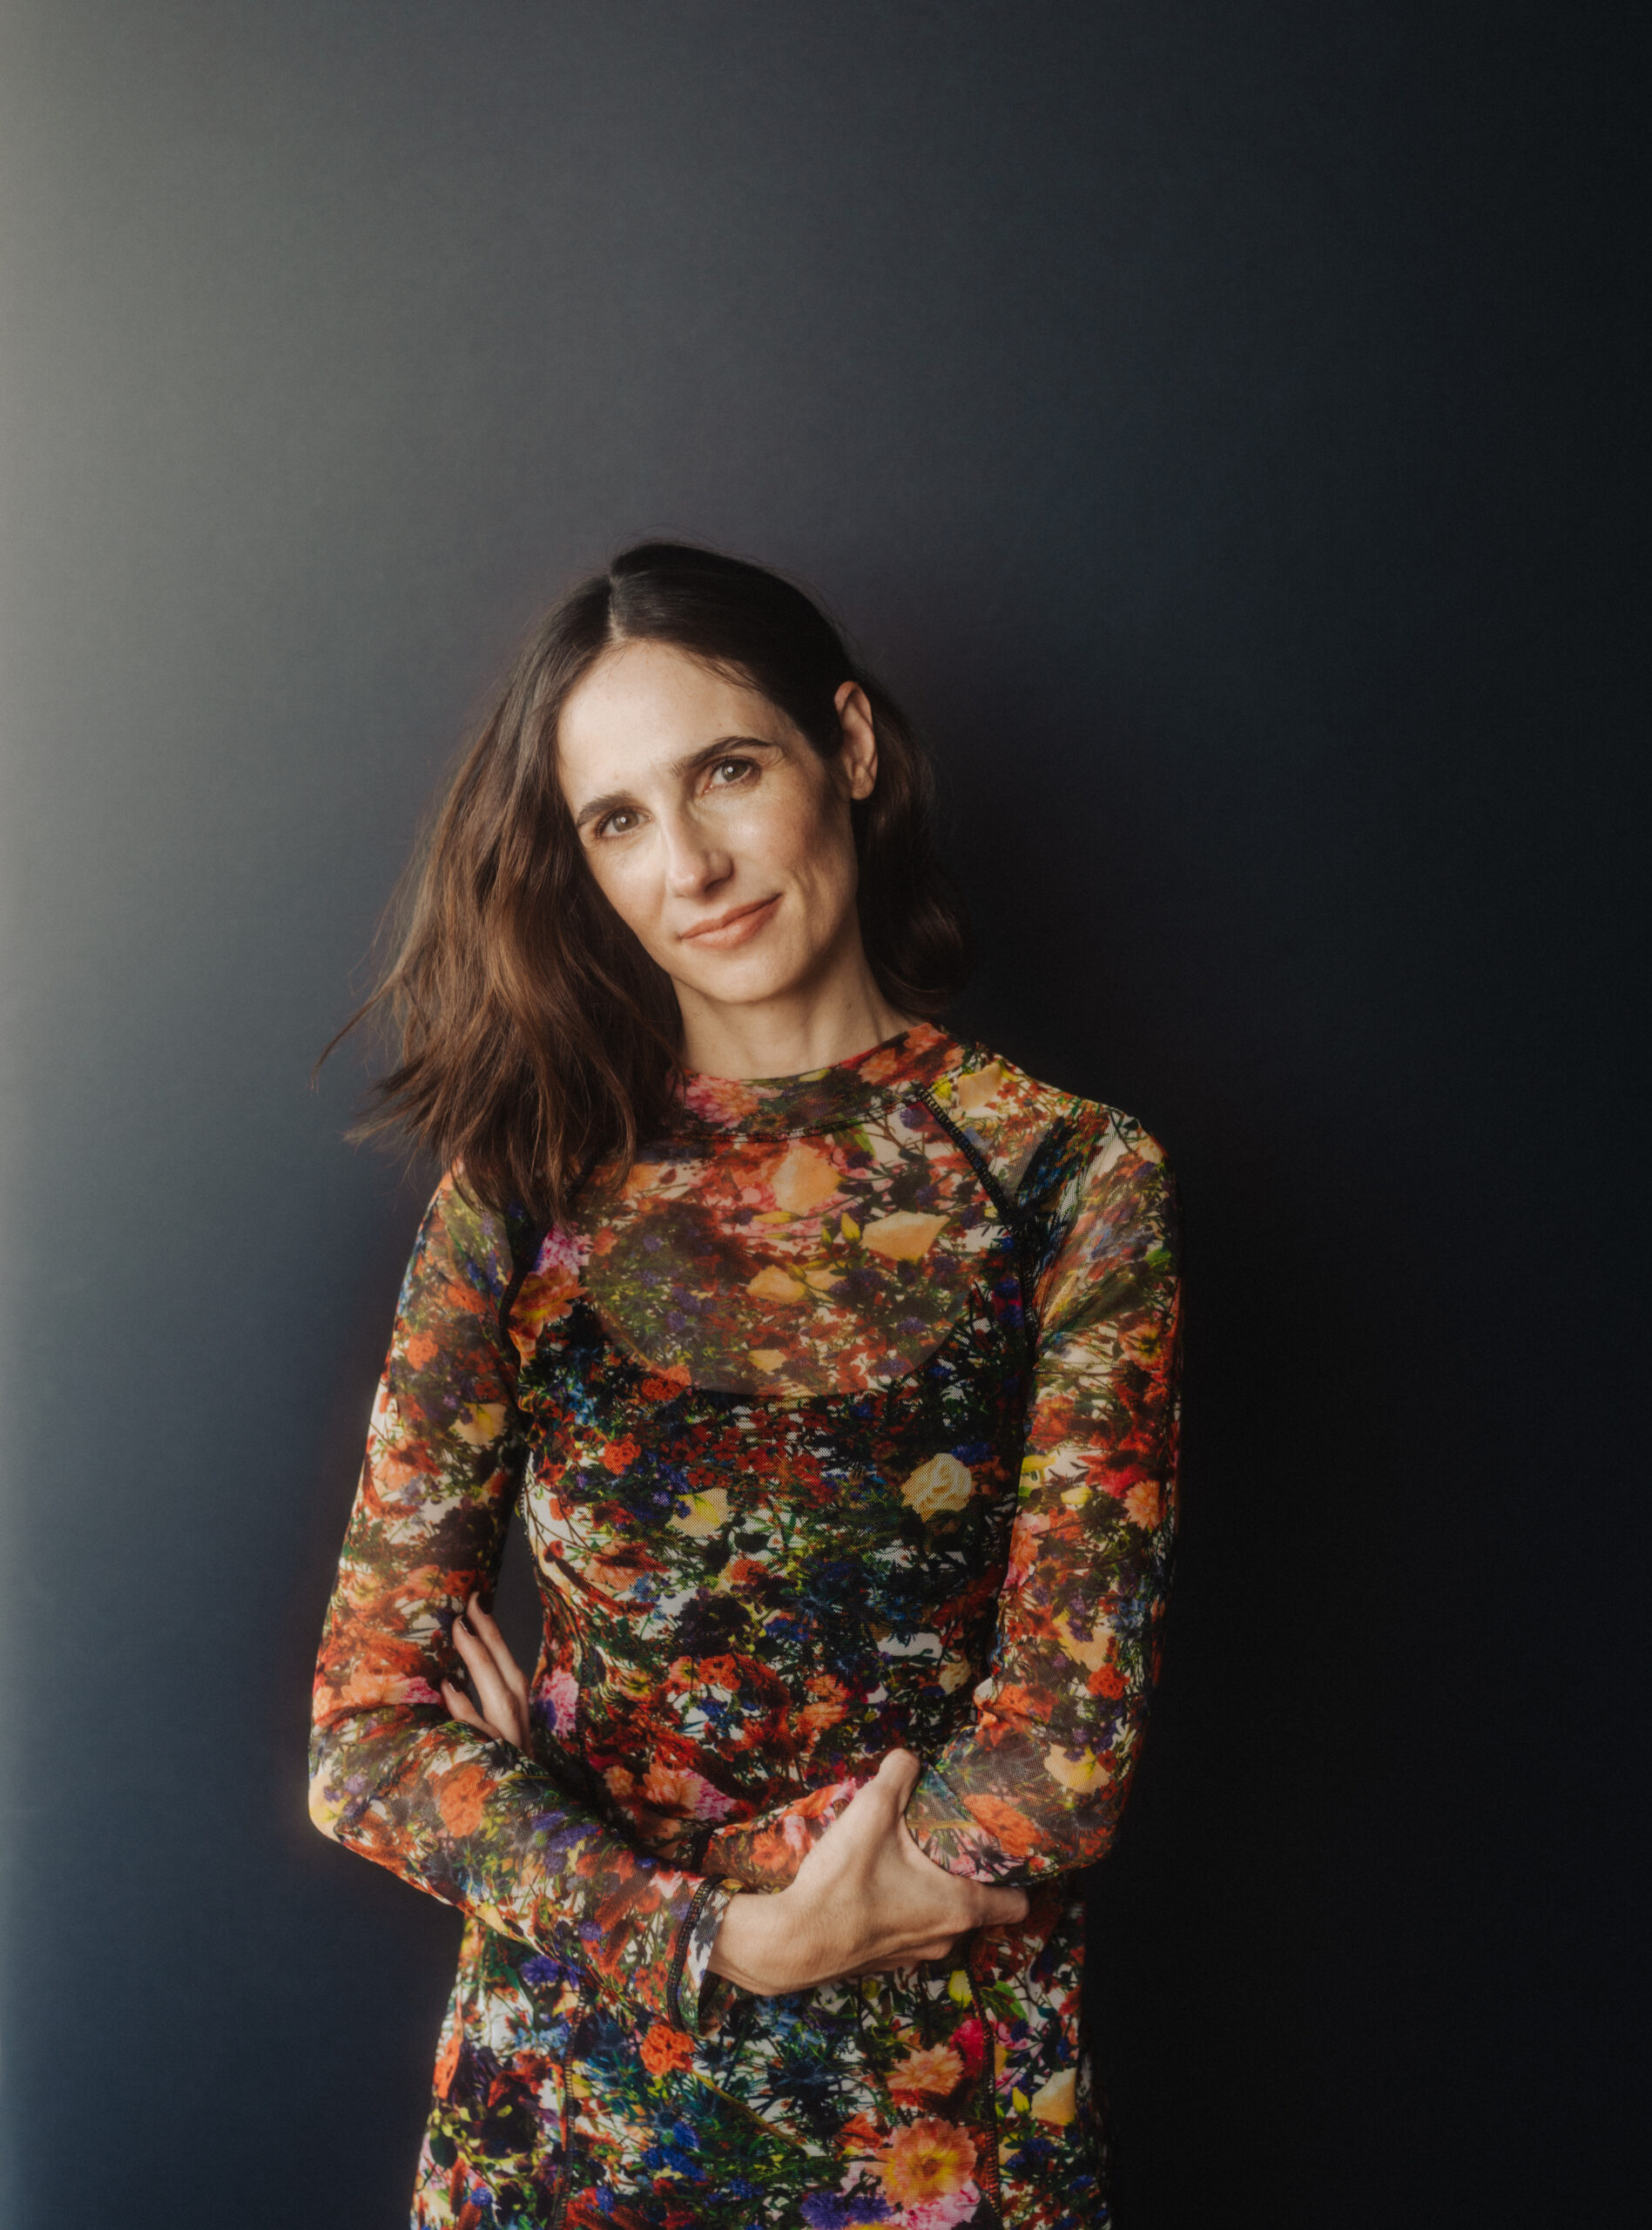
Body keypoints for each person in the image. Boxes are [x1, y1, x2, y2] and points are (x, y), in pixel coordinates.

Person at [309, 541, 1182, 2230]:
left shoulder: (1066, 1176)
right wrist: (718, 1935)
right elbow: (364, 1737)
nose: (691, 861)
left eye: (728, 768)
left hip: (932, 2088)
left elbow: (1064, 1757)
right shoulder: (523, 1192)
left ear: (845, 748)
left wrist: (576, 1837)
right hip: (573, 2080)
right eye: (618, 818)